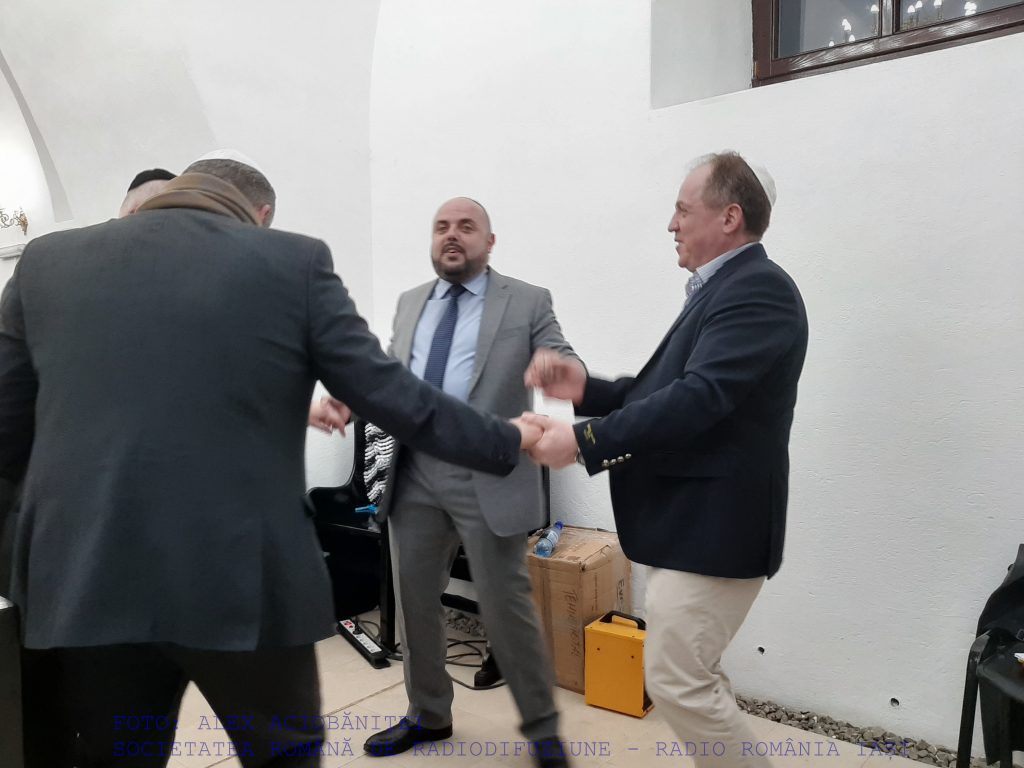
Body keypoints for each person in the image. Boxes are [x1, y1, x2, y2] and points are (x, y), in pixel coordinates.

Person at [0, 159, 540, 768]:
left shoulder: (45, 262)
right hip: (244, 582)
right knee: (282, 754)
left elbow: (8, 434)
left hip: (88, 579)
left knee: (116, 757)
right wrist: (506, 438)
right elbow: (395, 397)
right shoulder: (292, 261)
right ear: (260, 215)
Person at [524, 151, 808, 768]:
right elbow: (668, 391)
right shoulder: (724, 289)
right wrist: (586, 389)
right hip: (693, 527)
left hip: (716, 531)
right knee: (693, 676)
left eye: (683, 209)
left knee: (678, 680)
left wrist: (584, 441)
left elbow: (698, 399)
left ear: (729, 217)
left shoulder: (758, 289)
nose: (671, 224)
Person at [314, 197, 581, 768]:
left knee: (506, 607)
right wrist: (350, 399)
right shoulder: (411, 302)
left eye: (466, 226)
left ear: (490, 240)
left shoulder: (527, 300)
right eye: (441, 227)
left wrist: (562, 369)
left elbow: (559, 352)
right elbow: (387, 376)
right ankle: (428, 713)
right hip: (414, 473)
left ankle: (542, 732)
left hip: (489, 470)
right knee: (415, 602)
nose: (451, 235)